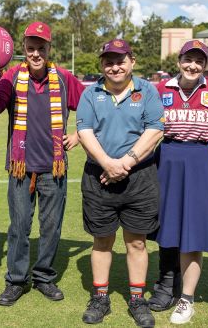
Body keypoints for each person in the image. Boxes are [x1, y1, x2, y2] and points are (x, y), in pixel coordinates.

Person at [0, 21, 85, 306]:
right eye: (30, 48)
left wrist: (78, 135)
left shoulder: (64, 77)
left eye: (41, 47)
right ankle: (16, 280)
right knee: (18, 228)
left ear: (50, 48)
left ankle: (44, 277)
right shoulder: (12, 76)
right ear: (23, 49)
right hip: (20, 168)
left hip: (54, 167)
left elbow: (91, 105)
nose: (36, 53)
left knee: (51, 227)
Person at [76, 39, 164, 327]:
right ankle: (100, 297)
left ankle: (137, 299)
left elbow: (154, 130)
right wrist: (108, 164)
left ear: (132, 62)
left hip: (139, 176)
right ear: (102, 64)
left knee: (137, 242)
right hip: (98, 175)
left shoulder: (147, 90)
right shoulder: (91, 94)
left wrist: (124, 163)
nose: (115, 66)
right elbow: (84, 131)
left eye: (120, 60)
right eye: (109, 61)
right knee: (102, 241)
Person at [149, 39, 208, 324]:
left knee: (194, 227)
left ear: (205, 65)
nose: (192, 66)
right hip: (169, 156)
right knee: (167, 221)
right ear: (179, 61)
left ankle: (186, 298)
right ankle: (165, 285)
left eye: (199, 61)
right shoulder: (160, 89)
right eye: (188, 59)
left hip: (201, 159)